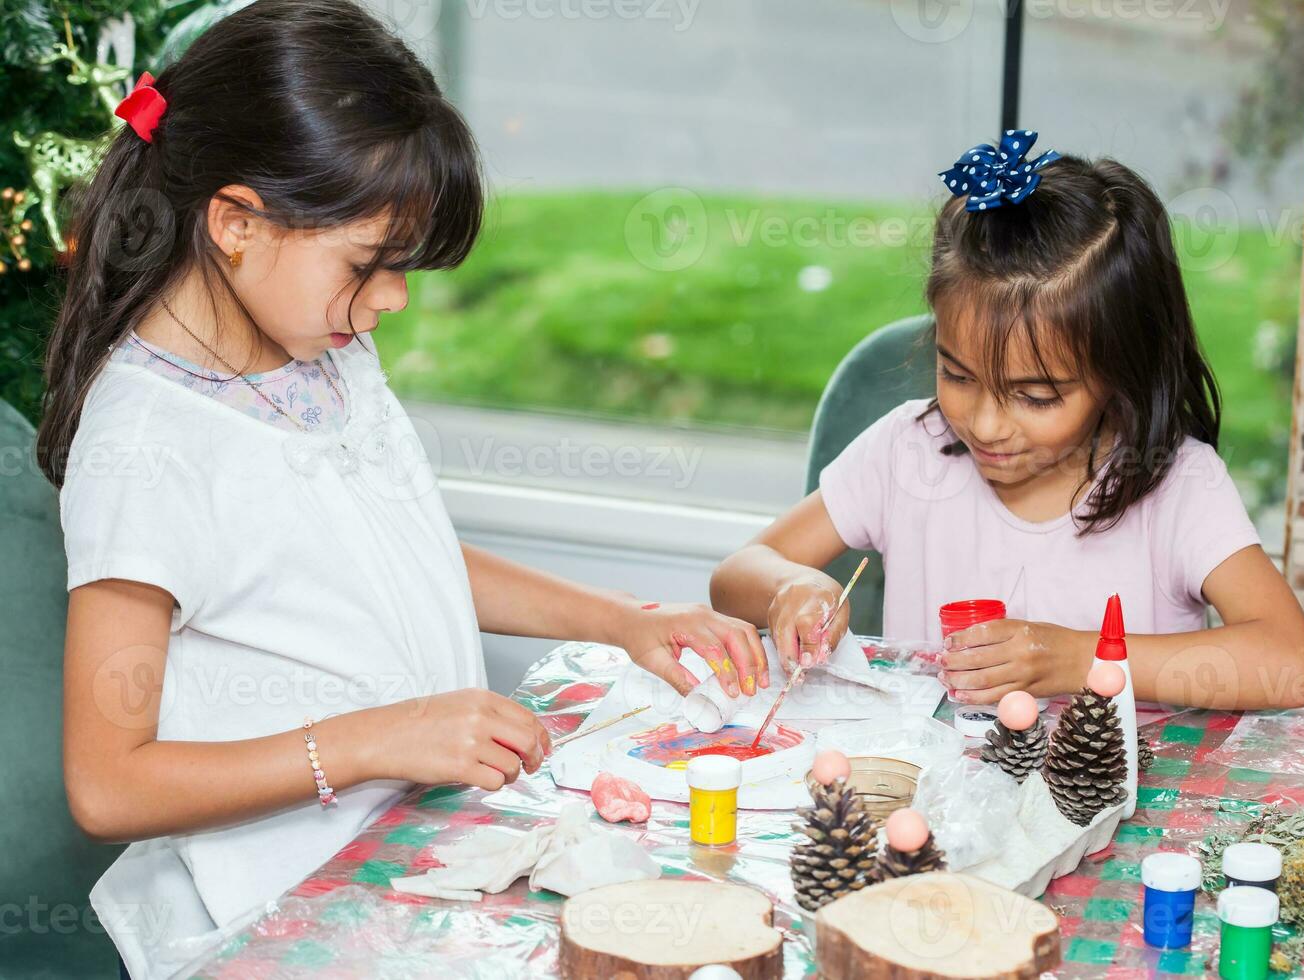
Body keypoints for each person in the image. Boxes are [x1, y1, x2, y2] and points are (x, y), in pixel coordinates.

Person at [39, 4, 765, 977]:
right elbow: (107, 785)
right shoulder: (148, 444)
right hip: (273, 913)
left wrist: (618, 620)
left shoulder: (318, 347)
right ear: (238, 222)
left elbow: (393, 550)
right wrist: (381, 736)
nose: (392, 300)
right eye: (368, 266)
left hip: (410, 845)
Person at [711, 130, 1304, 713]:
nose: (985, 423)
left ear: (1119, 371)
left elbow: (1289, 665)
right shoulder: (908, 452)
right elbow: (736, 574)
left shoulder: (1176, 483)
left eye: (1035, 396)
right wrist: (789, 587)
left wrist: (1081, 657)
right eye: (959, 375)